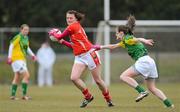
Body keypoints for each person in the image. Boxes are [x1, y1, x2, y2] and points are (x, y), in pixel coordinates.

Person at [93, 15, 174, 108]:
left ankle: (142, 91)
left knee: (123, 76)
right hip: (150, 61)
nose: (116, 34)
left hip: (143, 61)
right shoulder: (125, 41)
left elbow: (137, 39)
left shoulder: (128, 39)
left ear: (121, 33)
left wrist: (145, 40)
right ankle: (169, 105)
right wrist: (100, 47)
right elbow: (113, 46)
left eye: (116, 33)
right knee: (152, 88)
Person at [49, 10, 114, 108]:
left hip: (90, 54)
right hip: (79, 56)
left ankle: (108, 99)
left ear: (76, 19)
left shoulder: (73, 26)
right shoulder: (73, 28)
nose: (69, 20)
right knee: (74, 78)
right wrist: (62, 41)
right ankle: (88, 96)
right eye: (67, 18)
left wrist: (53, 34)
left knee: (98, 81)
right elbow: (74, 46)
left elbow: (59, 36)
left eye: (71, 18)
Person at [7, 24, 37, 100]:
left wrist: (33, 55)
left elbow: (26, 48)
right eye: (25, 29)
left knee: (17, 76)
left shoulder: (26, 38)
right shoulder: (18, 37)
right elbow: (11, 46)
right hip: (16, 59)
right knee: (27, 75)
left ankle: (12, 96)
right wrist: (9, 57)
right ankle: (24, 95)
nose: (26, 31)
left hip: (22, 59)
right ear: (21, 30)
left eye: (27, 30)